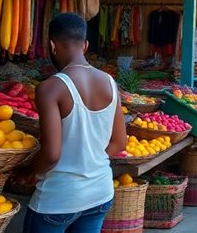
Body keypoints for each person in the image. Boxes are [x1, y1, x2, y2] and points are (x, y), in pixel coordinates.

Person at [24, 13, 125, 233]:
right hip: (100, 193)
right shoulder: (110, 82)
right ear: (86, 45)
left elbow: (51, 154)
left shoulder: (50, 87)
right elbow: (119, 143)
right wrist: (89, 161)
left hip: (58, 199)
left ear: (52, 45)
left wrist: (27, 172)